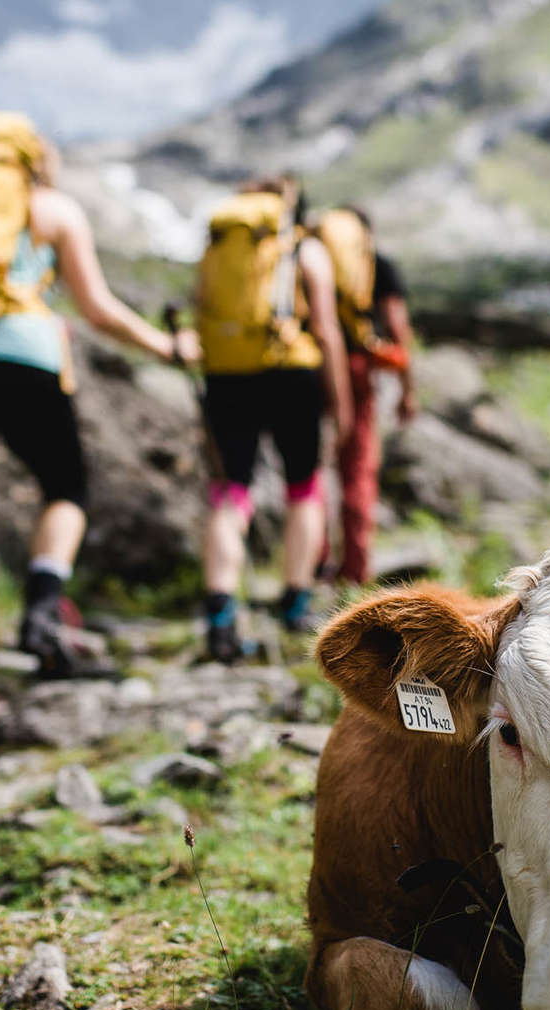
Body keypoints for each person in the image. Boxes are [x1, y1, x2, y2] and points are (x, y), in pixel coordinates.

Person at [0, 111, 187, 764]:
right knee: (67, 487)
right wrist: (166, 346)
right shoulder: (49, 208)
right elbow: (98, 310)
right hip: (23, 356)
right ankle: (42, 606)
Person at [177, 175, 353, 662]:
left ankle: (219, 615)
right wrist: (340, 405)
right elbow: (327, 331)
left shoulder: (219, 250)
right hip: (291, 373)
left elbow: (201, 311)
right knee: (304, 488)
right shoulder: (301, 248)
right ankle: (296, 604)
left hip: (228, 374)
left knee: (231, 493)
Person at [311, 206, 418, 586]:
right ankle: (354, 570)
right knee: (356, 467)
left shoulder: (311, 259)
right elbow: (397, 327)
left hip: (313, 365)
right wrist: (408, 389)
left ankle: (315, 562)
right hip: (357, 368)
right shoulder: (378, 264)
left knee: (311, 468)